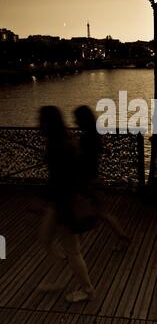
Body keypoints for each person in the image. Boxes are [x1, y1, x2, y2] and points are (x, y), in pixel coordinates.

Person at [38, 105, 94, 302]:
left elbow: (61, 179)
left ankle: (87, 289)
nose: (38, 124)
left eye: (41, 120)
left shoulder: (58, 146)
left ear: (48, 123)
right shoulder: (64, 141)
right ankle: (59, 272)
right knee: (45, 238)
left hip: (64, 202)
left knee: (72, 249)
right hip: (60, 201)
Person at [74, 105, 130, 245]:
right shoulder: (95, 135)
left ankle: (74, 245)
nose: (75, 123)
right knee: (102, 213)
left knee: (81, 212)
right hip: (94, 178)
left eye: (76, 120)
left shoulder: (85, 139)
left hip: (86, 180)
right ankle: (122, 236)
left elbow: (81, 160)